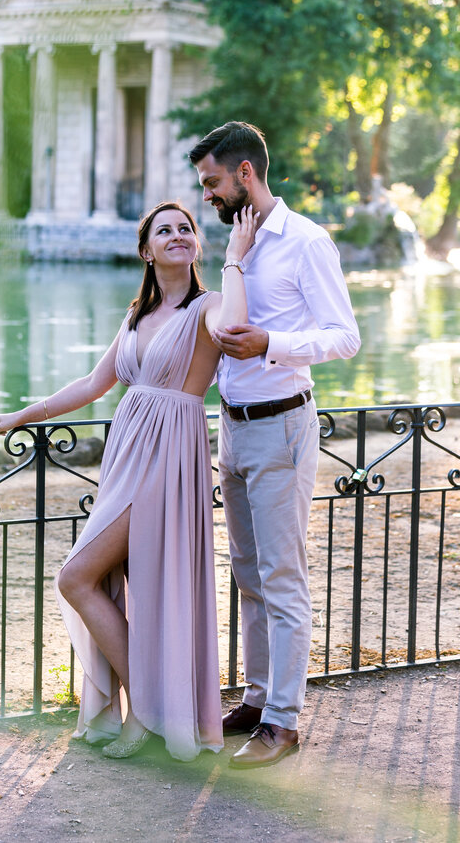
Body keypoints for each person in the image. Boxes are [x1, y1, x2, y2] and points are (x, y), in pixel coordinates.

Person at [0, 201, 259, 762]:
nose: (178, 235)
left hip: (166, 464)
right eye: (165, 230)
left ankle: (149, 716)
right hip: (126, 459)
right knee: (111, 584)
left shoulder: (207, 308)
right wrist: (21, 414)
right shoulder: (136, 314)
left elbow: (235, 326)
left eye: (186, 229)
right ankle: (149, 715)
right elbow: (91, 384)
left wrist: (235, 258)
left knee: (76, 577)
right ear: (146, 250)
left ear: (197, 246)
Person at [189, 122, 361, 769]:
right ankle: (258, 701)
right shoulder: (237, 241)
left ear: (244, 173)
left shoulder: (306, 240)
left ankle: (284, 723)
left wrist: (273, 345)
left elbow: (344, 337)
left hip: (284, 424)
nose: (206, 194)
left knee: (282, 577)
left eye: (211, 182)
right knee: (248, 575)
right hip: (233, 425)